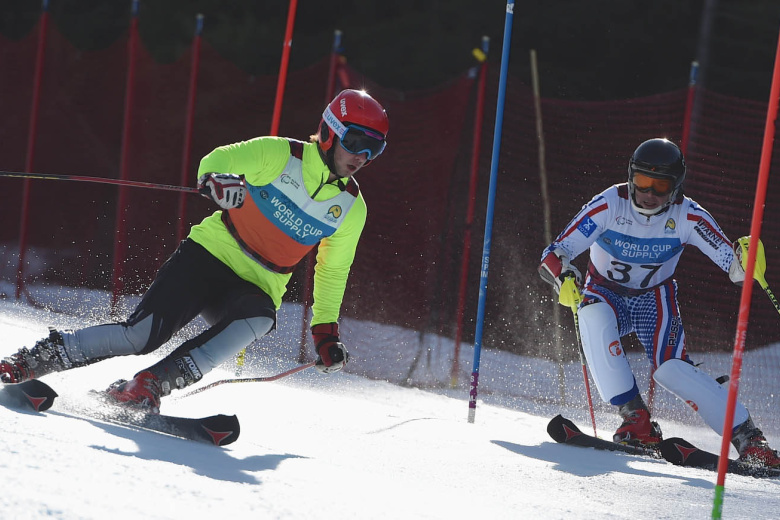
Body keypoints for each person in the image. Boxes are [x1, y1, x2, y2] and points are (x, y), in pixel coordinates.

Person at [0, 88, 389, 413]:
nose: (362, 157)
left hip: (257, 286)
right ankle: (32, 360)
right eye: (356, 142)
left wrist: (324, 332)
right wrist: (216, 181)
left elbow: (333, 271)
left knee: (259, 319)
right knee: (140, 337)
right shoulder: (279, 155)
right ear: (330, 131)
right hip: (209, 256)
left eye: (375, 149)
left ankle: (147, 386)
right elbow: (218, 159)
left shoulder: (352, 209)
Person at [538, 137, 780, 467]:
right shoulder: (609, 204)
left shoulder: (688, 216)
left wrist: (748, 257)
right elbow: (555, 253)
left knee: (673, 370)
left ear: (676, 187)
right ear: (630, 178)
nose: (649, 194)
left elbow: (735, 268)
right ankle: (636, 420)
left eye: (660, 186)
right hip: (604, 291)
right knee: (591, 315)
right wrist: (564, 276)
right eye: (642, 182)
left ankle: (751, 441)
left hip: (655, 298)